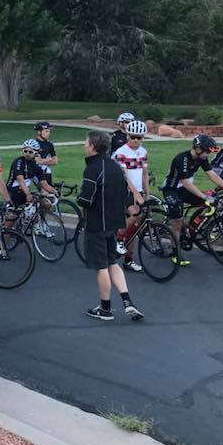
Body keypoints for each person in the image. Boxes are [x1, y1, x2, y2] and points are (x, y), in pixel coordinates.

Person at [78, 130, 143, 321]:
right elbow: (126, 195)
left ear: (93, 146)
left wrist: (79, 198)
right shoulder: (115, 166)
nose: (84, 145)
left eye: (86, 142)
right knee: (112, 262)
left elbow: (86, 199)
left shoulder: (93, 168)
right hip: (113, 224)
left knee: (102, 267)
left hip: (96, 224)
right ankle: (127, 301)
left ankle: (105, 309)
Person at [161, 134, 223, 262]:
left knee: (212, 202)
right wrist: (204, 196)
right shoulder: (181, 159)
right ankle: (175, 253)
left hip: (185, 190)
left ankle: (193, 228)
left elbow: (212, 175)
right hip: (172, 190)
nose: (208, 154)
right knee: (177, 222)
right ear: (198, 149)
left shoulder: (202, 158)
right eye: (207, 151)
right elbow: (186, 183)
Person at [111, 120, 149, 272]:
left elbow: (145, 174)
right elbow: (125, 178)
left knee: (135, 226)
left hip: (136, 191)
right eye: (133, 137)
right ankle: (118, 239)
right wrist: (137, 195)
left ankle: (128, 260)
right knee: (135, 213)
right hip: (122, 190)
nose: (136, 140)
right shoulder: (120, 153)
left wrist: (147, 195)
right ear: (127, 136)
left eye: (139, 137)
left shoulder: (143, 152)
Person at [6, 139, 56, 212]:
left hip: (24, 191)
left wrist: (54, 192)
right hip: (13, 190)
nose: (27, 154)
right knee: (11, 216)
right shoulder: (18, 161)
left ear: (36, 152)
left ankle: (39, 217)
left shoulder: (35, 165)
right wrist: (28, 194)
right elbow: (21, 181)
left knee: (46, 204)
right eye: (25, 151)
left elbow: (44, 184)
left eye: (30, 152)